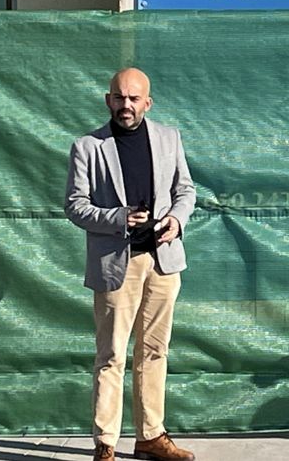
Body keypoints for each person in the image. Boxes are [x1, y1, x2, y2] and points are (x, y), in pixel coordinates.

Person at [65, 67, 197, 461]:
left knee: (155, 351)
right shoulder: (87, 146)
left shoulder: (169, 138)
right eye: (119, 98)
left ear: (147, 102)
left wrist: (177, 219)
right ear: (108, 100)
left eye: (134, 98)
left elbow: (185, 190)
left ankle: (151, 437)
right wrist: (118, 218)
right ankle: (105, 444)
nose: (126, 105)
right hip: (116, 265)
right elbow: (75, 206)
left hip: (163, 261)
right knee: (111, 356)